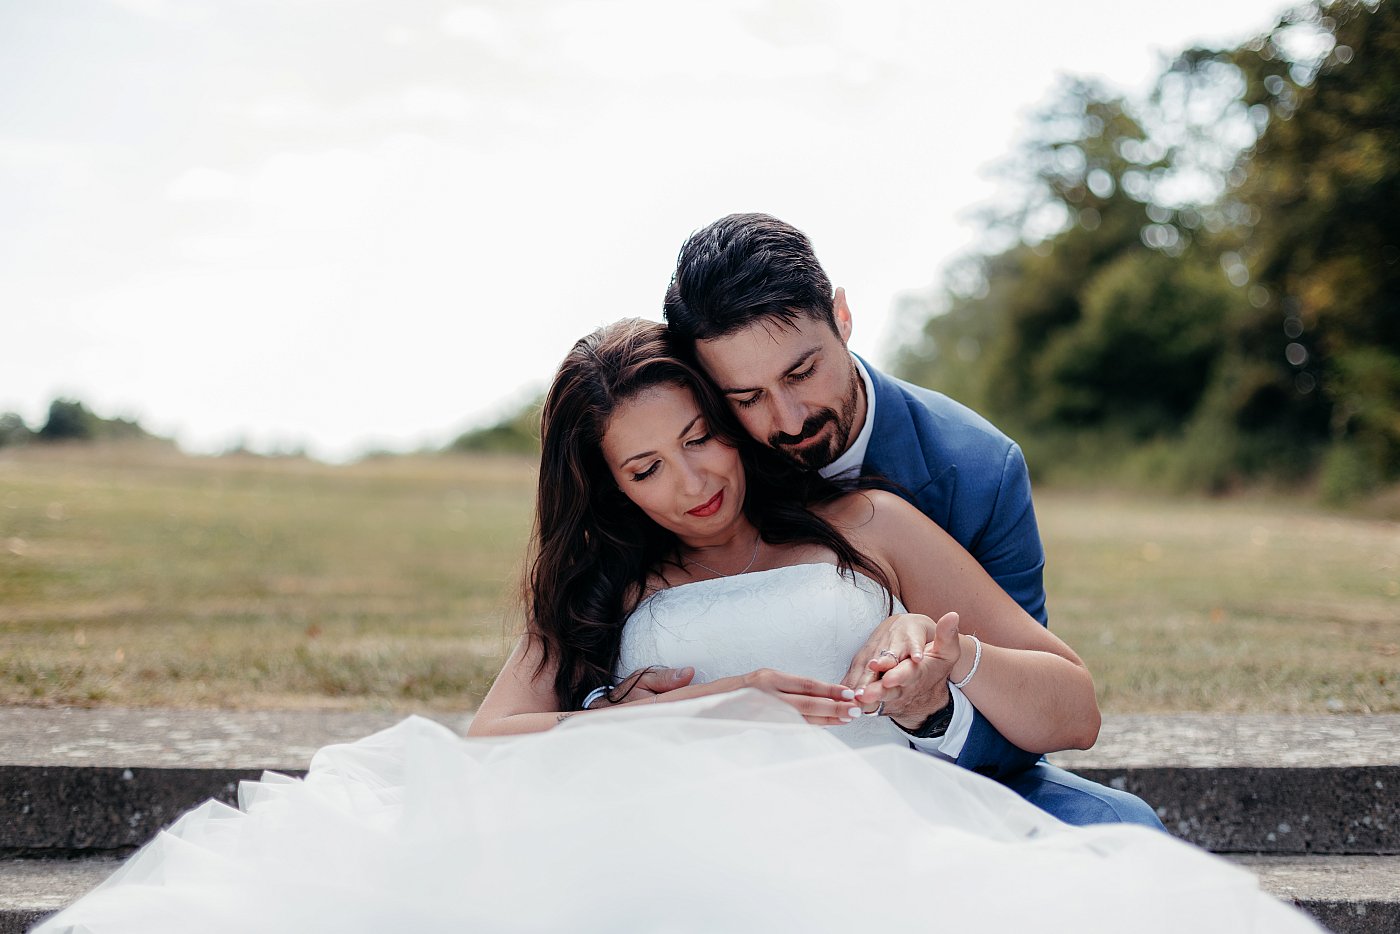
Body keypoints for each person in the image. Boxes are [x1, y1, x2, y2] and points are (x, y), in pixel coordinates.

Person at [35, 320, 1320, 934]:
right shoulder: (609, 580)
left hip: (878, 815)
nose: (691, 482)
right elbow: (488, 740)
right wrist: (674, 710)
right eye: (643, 468)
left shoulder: (867, 523)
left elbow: (1071, 701)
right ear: (607, 484)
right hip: (657, 830)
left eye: (700, 436)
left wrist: (944, 662)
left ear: (731, 416)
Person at [602, 211, 1160, 828]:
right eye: (746, 398)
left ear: (842, 316)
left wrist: (934, 704)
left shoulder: (977, 471)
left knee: (1122, 829)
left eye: (801, 373)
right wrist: (615, 706)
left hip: (934, 784)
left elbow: (1033, 717)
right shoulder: (686, 473)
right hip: (706, 805)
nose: (788, 419)